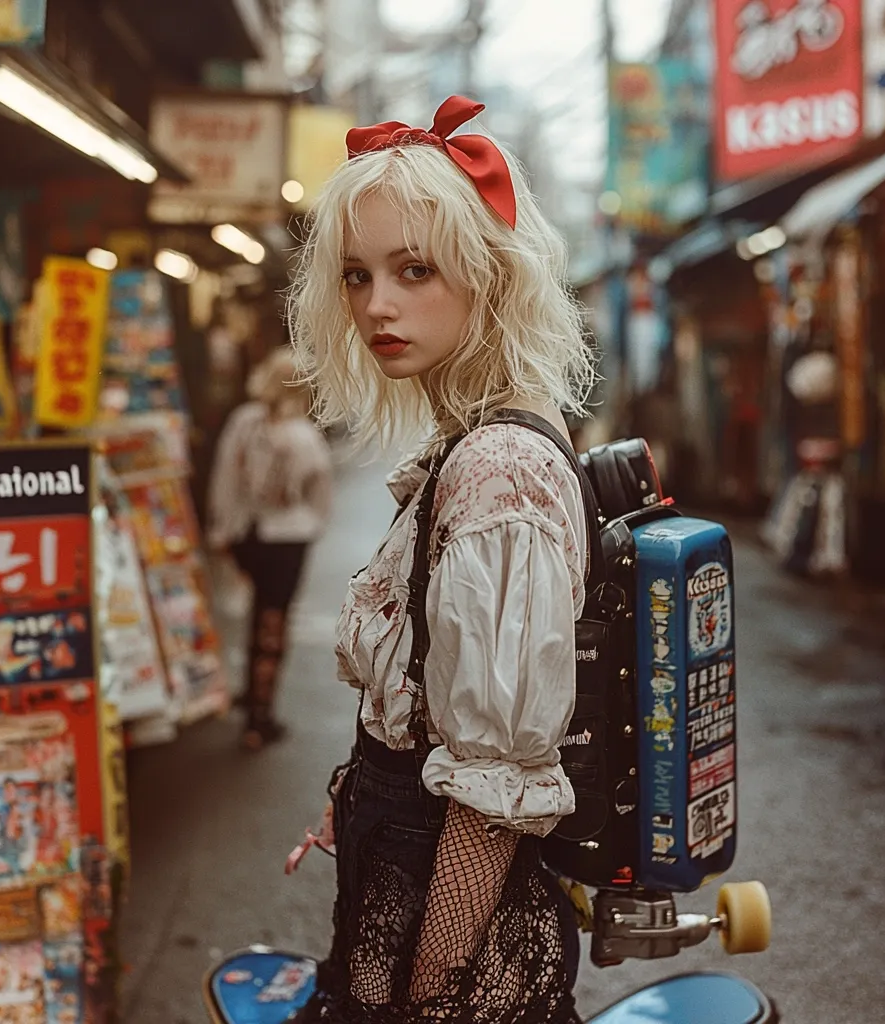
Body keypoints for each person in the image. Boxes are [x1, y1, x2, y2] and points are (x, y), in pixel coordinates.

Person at [286, 96, 595, 1022]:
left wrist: (430, 994)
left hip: (451, 951)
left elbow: (492, 786)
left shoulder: (499, 467)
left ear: (488, 278)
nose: (376, 304)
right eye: (356, 275)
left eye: (413, 269)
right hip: (408, 913)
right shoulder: (466, 444)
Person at [208, 347, 334, 749]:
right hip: (288, 539)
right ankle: (260, 717)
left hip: (248, 534)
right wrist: (312, 525)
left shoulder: (243, 421)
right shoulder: (306, 437)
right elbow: (320, 497)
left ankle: (250, 695)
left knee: (256, 610)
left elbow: (224, 480)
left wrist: (222, 530)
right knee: (274, 620)